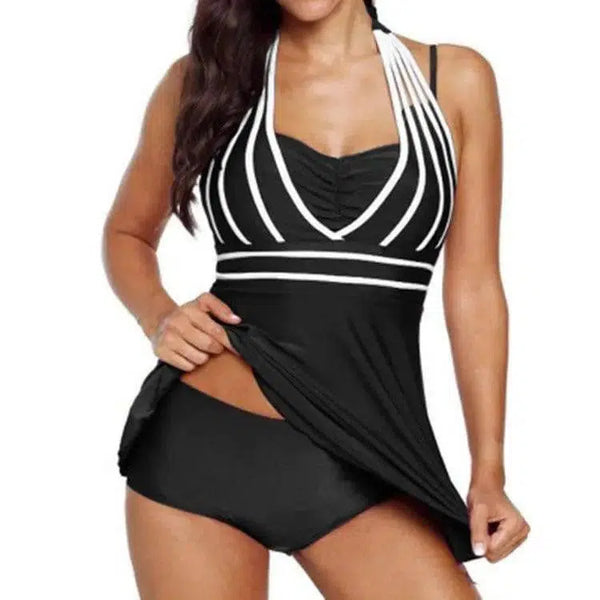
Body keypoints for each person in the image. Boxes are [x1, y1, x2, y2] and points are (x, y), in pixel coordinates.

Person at [102, 0, 529, 597]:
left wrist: (488, 470)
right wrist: (159, 316)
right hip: (203, 440)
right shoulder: (207, 79)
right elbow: (126, 234)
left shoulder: (454, 80)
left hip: (365, 454)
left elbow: (475, 287)